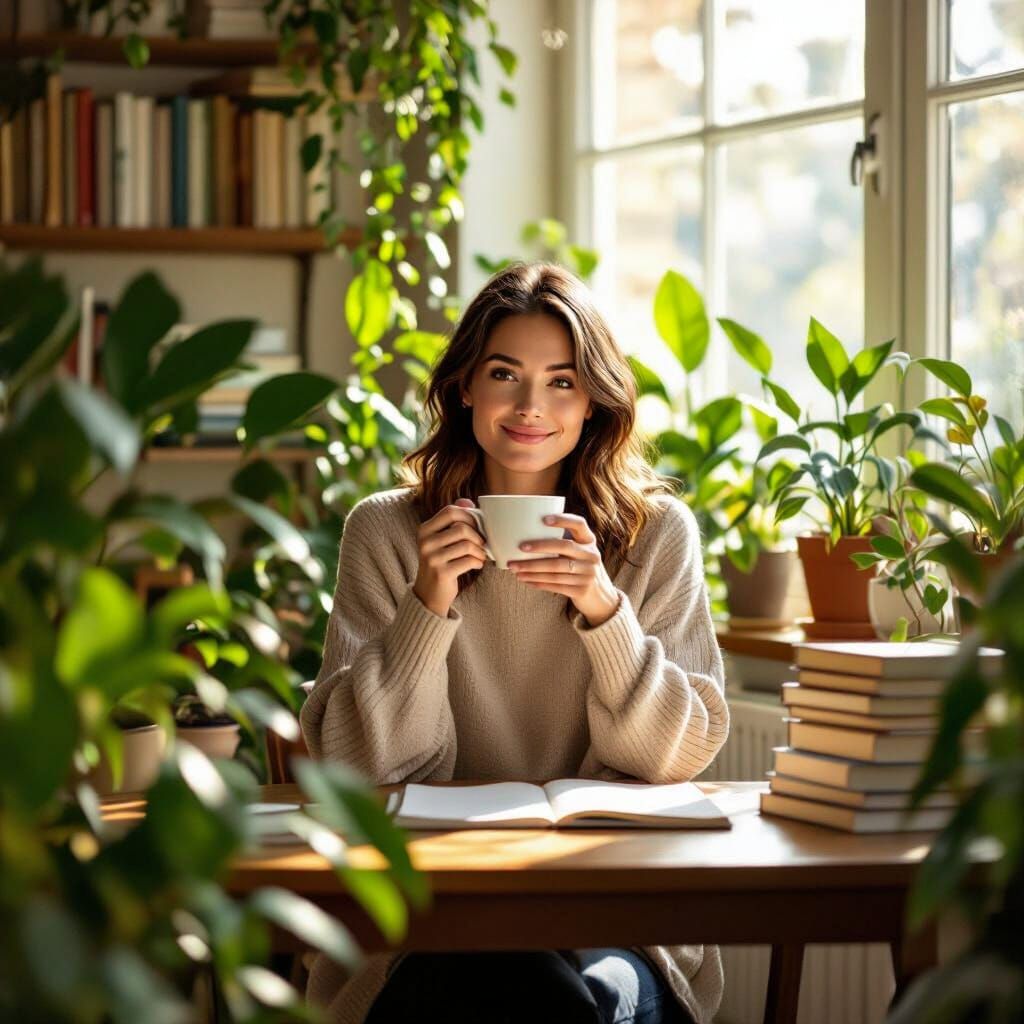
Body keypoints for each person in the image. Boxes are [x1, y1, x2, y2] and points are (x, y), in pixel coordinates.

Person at [301, 262, 730, 1024]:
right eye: (505, 374)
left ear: (595, 399)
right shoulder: (387, 532)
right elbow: (356, 766)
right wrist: (427, 606)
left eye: (562, 381)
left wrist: (604, 609)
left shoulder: (656, 536)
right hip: (423, 919)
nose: (532, 406)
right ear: (466, 385)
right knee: (515, 975)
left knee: (572, 991)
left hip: (615, 915)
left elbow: (677, 758)